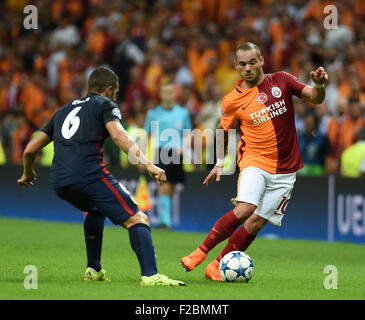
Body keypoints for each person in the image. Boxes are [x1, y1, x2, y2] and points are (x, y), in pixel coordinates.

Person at [17, 67, 185, 287]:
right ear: (109, 90)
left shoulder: (63, 110)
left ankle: (93, 269)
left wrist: (28, 172)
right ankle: (151, 276)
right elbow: (118, 135)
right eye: (115, 92)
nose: (115, 97)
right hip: (89, 175)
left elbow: (30, 149)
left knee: (96, 210)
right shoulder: (105, 104)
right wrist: (149, 164)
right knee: (138, 218)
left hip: (59, 181)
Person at [181, 42, 328, 281]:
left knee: (257, 222)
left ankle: (216, 265)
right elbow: (222, 129)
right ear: (236, 66)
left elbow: (315, 98)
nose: (248, 68)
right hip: (254, 160)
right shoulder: (232, 100)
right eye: (242, 64)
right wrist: (219, 160)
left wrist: (319, 84)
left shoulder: (282, 80)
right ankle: (199, 253)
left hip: (286, 168)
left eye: (252, 62)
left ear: (261, 60)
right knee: (245, 209)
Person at [144, 82, 192, 229]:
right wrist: (142, 158)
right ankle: (164, 221)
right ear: (161, 94)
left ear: (174, 94)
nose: (168, 95)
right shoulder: (153, 113)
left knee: (172, 185)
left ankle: (166, 218)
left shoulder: (183, 113)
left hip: (177, 152)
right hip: (161, 150)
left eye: (171, 92)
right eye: (165, 92)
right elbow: (147, 135)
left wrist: (184, 147)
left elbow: (188, 133)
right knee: (163, 184)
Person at [297, 111, 332, 176]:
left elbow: (327, 160)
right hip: (300, 176)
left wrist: (326, 177)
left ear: (315, 124)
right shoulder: (299, 138)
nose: (308, 126)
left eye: (311, 123)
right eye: (307, 123)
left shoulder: (323, 139)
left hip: (317, 176)